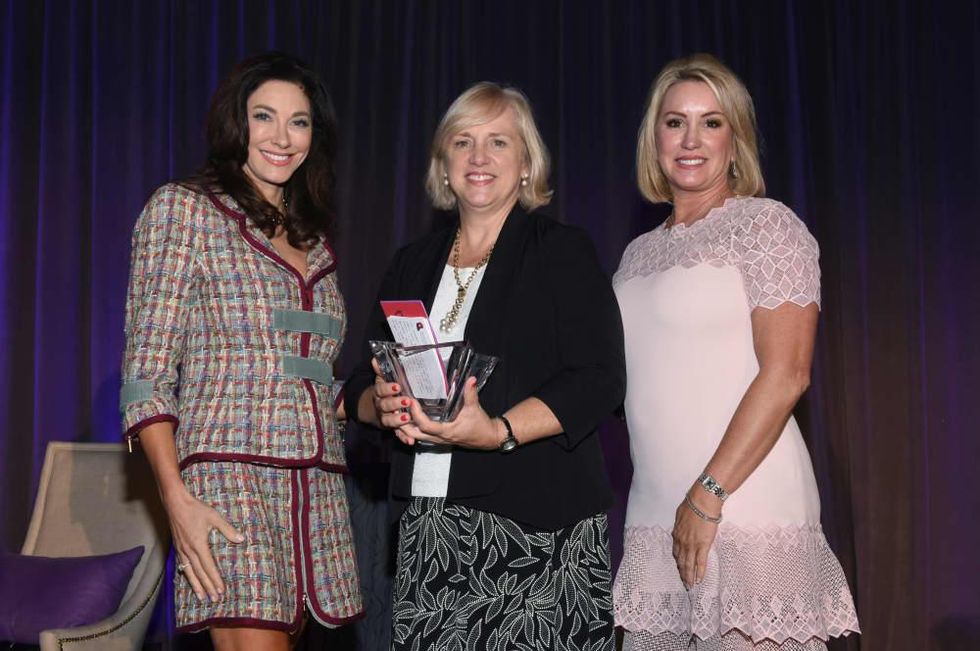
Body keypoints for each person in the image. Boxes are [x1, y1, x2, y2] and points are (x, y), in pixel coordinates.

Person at [343, 82, 625, 650]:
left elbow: (600, 380)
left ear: (526, 164)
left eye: (498, 142)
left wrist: (496, 432)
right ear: (443, 165)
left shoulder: (560, 251)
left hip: (540, 531)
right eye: (463, 142)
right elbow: (357, 384)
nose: (479, 157)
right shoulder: (411, 263)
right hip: (427, 528)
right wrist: (383, 405)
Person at [610, 53, 860, 650]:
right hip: (654, 513)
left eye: (712, 122)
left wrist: (708, 494)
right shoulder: (634, 255)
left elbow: (788, 374)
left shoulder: (768, 227)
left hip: (742, 506)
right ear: (655, 138)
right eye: (675, 122)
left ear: (736, 138)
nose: (691, 139)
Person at [120, 52, 362, 650]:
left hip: (317, 489)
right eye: (265, 116)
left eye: (299, 121)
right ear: (238, 123)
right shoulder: (184, 210)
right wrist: (175, 501)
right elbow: (146, 373)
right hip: (227, 482)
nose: (282, 137)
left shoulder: (316, 241)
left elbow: (308, 377)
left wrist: (373, 400)